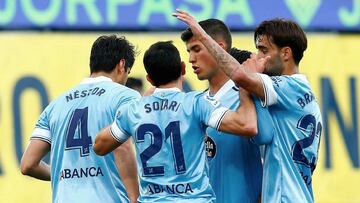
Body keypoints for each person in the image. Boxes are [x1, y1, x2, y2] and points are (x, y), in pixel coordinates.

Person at [174, 10, 322, 202]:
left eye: (264, 50)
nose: (258, 57)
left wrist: (202, 34)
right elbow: (265, 135)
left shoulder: (289, 88)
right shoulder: (298, 98)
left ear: (286, 53)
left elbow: (241, 78)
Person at [93, 41, 269, 203]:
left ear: (150, 79)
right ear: (183, 69)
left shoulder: (133, 110)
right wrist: (246, 87)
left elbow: (99, 146)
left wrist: (136, 109)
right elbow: (246, 125)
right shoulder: (196, 103)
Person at [20, 35, 140, 203]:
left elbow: (28, 164)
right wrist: (135, 198)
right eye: (128, 72)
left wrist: (64, 173)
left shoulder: (55, 105)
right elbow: (123, 148)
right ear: (122, 65)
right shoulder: (125, 96)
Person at [180, 19, 262, 203]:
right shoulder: (196, 103)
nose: (191, 59)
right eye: (189, 51)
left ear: (219, 48)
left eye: (196, 49)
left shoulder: (247, 99)